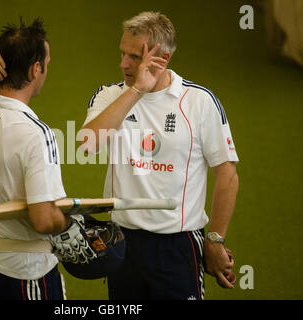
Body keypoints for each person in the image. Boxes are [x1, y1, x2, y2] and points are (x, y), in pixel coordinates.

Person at [81, 11, 239, 300]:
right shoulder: (109, 96)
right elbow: (88, 144)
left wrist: (215, 240)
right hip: (122, 242)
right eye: (122, 53)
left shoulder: (199, 102)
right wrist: (137, 90)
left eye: (134, 57)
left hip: (178, 246)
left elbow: (227, 174)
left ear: (162, 60)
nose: (123, 64)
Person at [0, 17, 95, 300]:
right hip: (26, 273)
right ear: (36, 70)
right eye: (47, 64)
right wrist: (71, 225)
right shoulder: (36, 135)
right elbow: (44, 220)